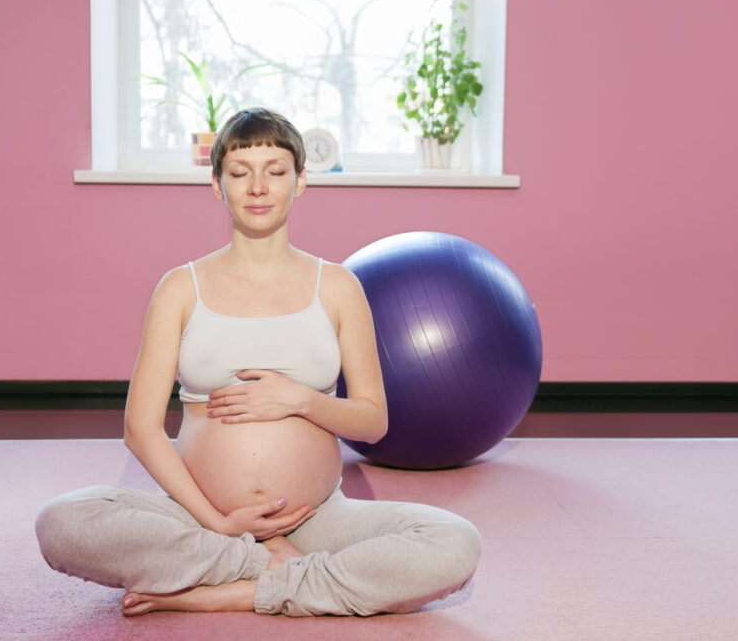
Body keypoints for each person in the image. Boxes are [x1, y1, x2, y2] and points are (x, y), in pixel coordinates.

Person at [35, 107, 481, 617]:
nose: (258, 187)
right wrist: (218, 523)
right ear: (217, 185)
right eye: (240, 173)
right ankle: (267, 566)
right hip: (200, 519)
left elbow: (372, 420)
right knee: (62, 521)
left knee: (454, 541)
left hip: (316, 521)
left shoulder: (338, 286)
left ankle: (241, 587)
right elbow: (141, 427)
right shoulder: (180, 288)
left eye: (276, 171)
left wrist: (300, 399)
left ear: (301, 181)